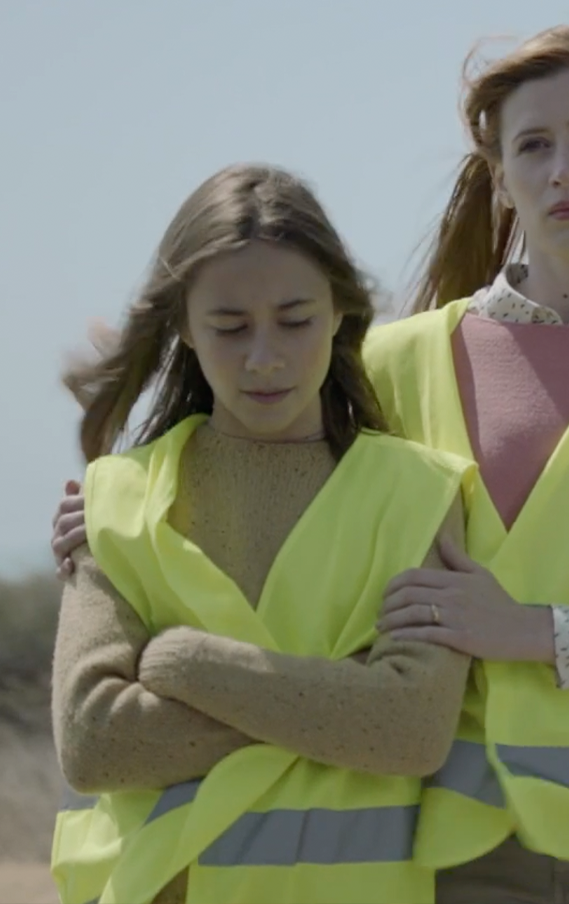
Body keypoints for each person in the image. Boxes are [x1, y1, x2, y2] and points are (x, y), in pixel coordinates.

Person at [52, 27, 569, 904]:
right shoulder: (392, 363)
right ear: (499, 176)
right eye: (533, 145)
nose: (564, 170)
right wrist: (111, 516)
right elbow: (265, 500)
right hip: (453, 849)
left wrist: (531, 631)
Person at [49, 164, 474, 904]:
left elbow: (410, 730)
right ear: (185, 326)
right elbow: (93, 744)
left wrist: (187, 662)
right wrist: (340, 701)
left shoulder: (420, 494)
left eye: (295, 320)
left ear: (339, 310)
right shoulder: (116, 500)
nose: (265, 357)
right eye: (230, 327)